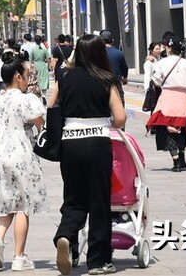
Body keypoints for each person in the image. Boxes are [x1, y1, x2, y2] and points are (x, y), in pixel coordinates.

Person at [49, 34, 127, 276]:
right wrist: (107, 122)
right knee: (98, 201)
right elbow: (120, 117)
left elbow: (51, 107)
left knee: (73, 197)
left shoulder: (64, 76)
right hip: (97, 142)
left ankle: (66, 237)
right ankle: (98, 261)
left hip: (69, 143)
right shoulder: (106, 79)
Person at [0, 58, 47, 272]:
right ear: (18, 77)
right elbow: (41, 127)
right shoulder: (27, 100)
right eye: (26, 76)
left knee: (7, 199)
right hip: (21, 151)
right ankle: (19, 256)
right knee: (23, 205)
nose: (28, 80)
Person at [146, 39, 186, 172]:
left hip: (167, 98)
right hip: (183, 99)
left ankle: (176, 161)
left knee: (166, 130)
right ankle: (182, 157)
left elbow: (156, 80)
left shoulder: (162, 63)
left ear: (169, 48)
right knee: (181, 129)